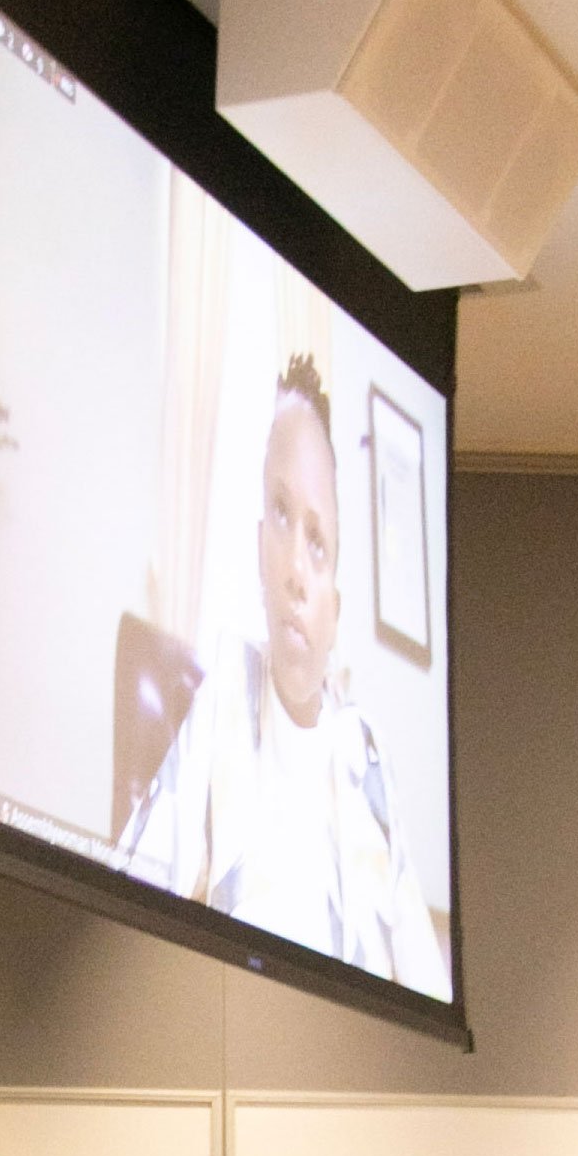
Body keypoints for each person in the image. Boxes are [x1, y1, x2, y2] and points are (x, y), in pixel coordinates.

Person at [120, 353, 449, 999]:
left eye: (319, 542)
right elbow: (133, 888)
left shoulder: (364, 750)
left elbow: (426, 982)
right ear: (257, 546)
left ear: (338, 607)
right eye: (279, 514)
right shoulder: (227, 697)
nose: (297, 567)